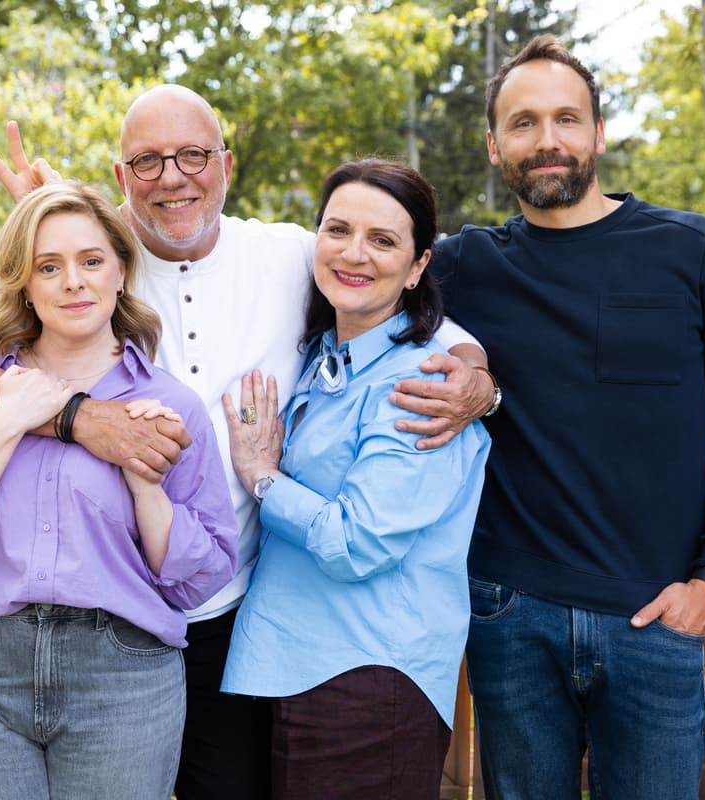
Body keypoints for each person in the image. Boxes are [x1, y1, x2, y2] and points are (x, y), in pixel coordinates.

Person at [0, 85, 497, 799]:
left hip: (233, 612)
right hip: (101, 611)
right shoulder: (86, 264)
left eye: (193, 156)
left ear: (226, 165)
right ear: (121, 184)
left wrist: (478, 379)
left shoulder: (292, 253)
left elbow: (385, 295)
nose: (172, 177)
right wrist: (78, 417)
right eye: (147, 161)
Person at [426, 35, 705, 798]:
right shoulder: (465, 267)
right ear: (494, 146)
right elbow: (351, 267)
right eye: (523, 123)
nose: (546, 140)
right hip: (508, 613)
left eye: (566, 118)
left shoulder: (691, 250)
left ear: (597, 133)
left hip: (655, 617)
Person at [0, 182, 238, 800]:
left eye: (92, 261)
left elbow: (198, 579)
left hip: (122, 678)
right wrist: (4, 419)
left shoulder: (169, 405)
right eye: (49, 267)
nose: (73, 282)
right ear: (24, 282)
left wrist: (148, 490)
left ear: (122, 272)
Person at [219, 159, 490, 800]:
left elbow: (357, 542)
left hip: (368, 678)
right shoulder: (322, 357)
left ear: (419, 265)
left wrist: (263, 479)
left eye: (383, 240)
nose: (354, 253)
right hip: (292, 667)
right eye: (337, 230)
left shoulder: (420, 384)